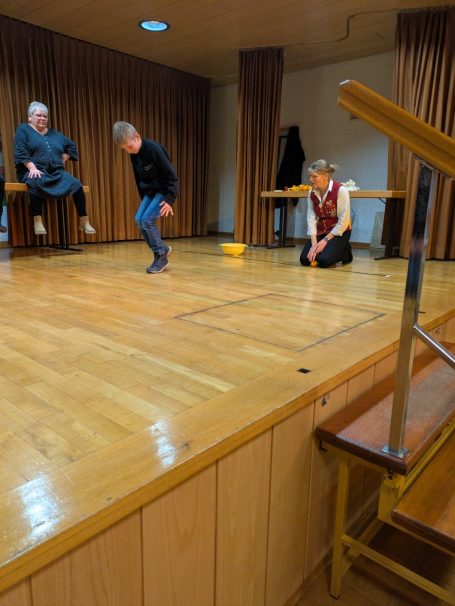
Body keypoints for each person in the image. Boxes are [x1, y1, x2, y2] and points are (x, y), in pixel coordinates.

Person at [14, 101, 96, 236]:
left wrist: (64, 157)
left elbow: (71, 145)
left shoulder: (55, 134)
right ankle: (37, 219)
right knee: (35, 180)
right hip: (32, 170)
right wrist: (32, 167)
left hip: (56, 173)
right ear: (30, 117)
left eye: (45, 116)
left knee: (76, 184)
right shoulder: (23, 130)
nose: (42, 118)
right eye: (39, 115)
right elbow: (20, 150)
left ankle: (84, 220)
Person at [112, 121, 178, 274]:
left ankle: (161, 256)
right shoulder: (134, 155)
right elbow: (138, 179)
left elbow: (171, 175)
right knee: (139, 220)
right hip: (150, 192)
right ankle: (163, 249)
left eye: (129, 146)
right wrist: (144, 198)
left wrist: (170, 199)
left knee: (147, 220)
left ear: (137, 137)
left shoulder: (154, 149)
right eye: (125, 149)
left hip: (163, 189)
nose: (128, 151)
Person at [300, 159, 353, 268]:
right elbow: (311, 220)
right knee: (305, 260)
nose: (310, 179)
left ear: (326, 176)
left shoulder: (341, 190)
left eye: (314, 176)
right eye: (310, 176)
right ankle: (332, 249)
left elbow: (343, 222)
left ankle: (345, 250)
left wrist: (325, 241)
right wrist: (314, 245)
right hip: (322, 231)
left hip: (339, 232)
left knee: (324, 261)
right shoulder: (311, 193)